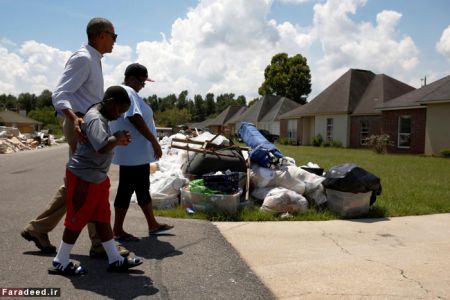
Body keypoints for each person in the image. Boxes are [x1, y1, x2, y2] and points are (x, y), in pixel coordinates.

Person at [21, 17, 128, 258]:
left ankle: (38, 229)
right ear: (101, 35)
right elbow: (60, 94)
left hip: (86, 123)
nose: (115, 41)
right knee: (92, 180)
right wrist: (75, 119)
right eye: (114, 36)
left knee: (79, 182)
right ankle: (100, 243)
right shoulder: (83, 58)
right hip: (80, 125)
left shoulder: (93, 59)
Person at [49, 86, 142, 275]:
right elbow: (101, 146)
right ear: (109, 102)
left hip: (97, 177)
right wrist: (116, 138)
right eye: (119, 110)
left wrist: (117, 140)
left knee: (102, 219)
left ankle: (115, 259)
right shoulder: (95, 118)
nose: (119, 116)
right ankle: (60, 260)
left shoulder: (101, 117)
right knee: (76, 219)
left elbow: (103, 143)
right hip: (84, 176)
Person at [110, 63, 173, 241]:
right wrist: (154, 141)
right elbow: (133, 116)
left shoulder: (131, 93)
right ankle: (117, 230)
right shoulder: (127, 91)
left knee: (142, 188)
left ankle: (152, 224)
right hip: (132, 153)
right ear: (131, 78)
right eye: (142, 80)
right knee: (126, 189)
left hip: (136, 154)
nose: (143, 85)